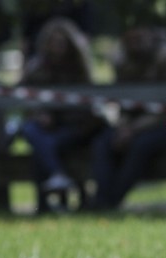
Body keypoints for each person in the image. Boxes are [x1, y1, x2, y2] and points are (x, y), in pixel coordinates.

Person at [88, 27, 166, 210]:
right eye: (130, 40)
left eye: (139, 38)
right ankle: (101, 199)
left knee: (139, 146)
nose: (135, 44)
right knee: (102, 142)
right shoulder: (123, 63)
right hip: (131, 127)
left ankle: (111, 200)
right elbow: (122, 104)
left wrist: (132, 130)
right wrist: (123, 127)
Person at [19, 17, 103, 211]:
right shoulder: (36, 68)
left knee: (45, 146)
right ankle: (56, 179)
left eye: (61, 43)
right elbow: (22, 98)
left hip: (75, 127)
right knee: (32, 132)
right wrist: (39, 114)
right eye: (53, 42)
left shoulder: (80, 69)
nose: (57, 47)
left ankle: (57, 182)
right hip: (46, 128)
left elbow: (87, 106)